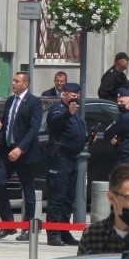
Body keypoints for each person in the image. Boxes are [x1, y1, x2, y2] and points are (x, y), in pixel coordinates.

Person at [0, 72, 43, 242]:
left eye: (17, 81)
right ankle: (8, 224)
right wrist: (0, 126)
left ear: (25, 84)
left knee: (27, 190)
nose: (13, 83)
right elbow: (9, 125)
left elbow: (33, 129)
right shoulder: (10, 101)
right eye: (13, 80)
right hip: (7, 149)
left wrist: (20, 148)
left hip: (24, 153)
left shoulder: (34, 102)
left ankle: (27, 228)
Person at [45, 82, 88, 246]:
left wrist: (85, 138)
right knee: (57, 197)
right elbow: (55, 124)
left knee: (68, 198)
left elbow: (75, 131)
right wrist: (68, 115)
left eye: (77, 96)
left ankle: (64, 232)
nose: (75, 98)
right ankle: (53, 234)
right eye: (72, 95)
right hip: (59, 159)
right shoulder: (58, 109)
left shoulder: (74, 111)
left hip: (72, 159)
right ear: (64, 95)